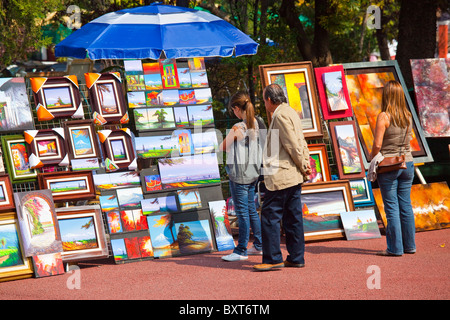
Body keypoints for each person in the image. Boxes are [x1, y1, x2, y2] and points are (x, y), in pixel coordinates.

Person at [253, 84, 311, 271]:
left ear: (269, 100)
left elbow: (292, 144)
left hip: (282, 174)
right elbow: (299, 141)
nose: (264, 104)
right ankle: (296, 257)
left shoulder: (280, 115)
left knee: (270, 216)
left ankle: (272, 259)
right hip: (292, 174)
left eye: (264, 100)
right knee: (293, 217)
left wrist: (303, 164)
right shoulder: (291, 111)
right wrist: (305, 164)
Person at [370, 80, 415, 256]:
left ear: (387, 95)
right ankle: (410, 246)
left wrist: (373, 158)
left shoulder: (384, 116)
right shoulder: (408, 115)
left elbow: (377, 144)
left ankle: (395, 249)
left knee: (391, 207)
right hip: (408, 163)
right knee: (406, 205)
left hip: (389, 166)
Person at [219, 91, 263, 262]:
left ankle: (241, 249)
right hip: (253, 173)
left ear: (237, 108)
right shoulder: (258, 123)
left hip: (239, 175)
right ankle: (258, 245)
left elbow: (223, 146)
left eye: (233, 110)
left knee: (242, 212)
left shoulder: (238, 127)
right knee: (251, 210)